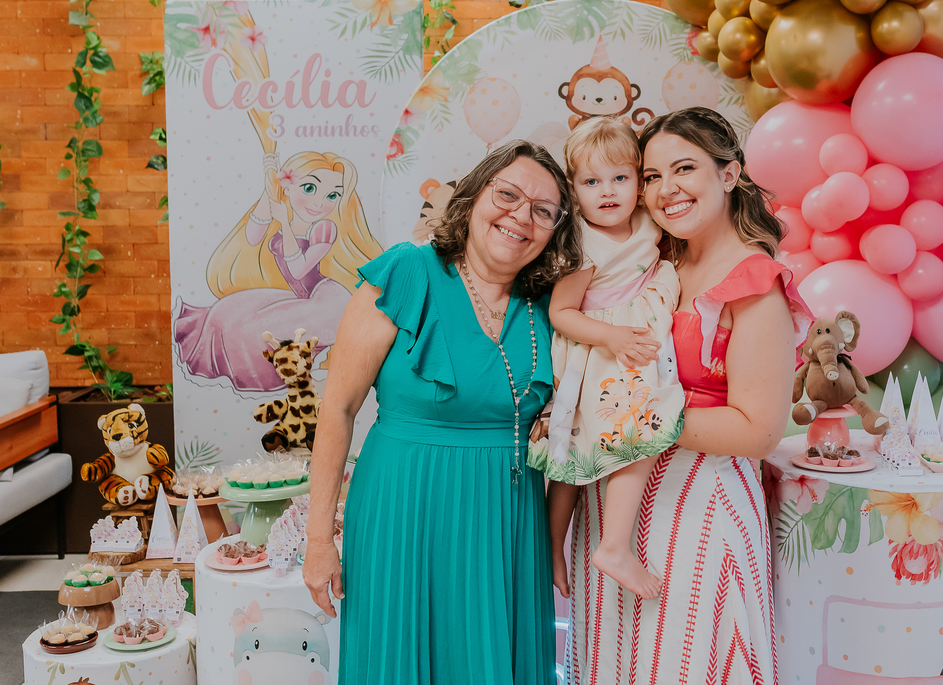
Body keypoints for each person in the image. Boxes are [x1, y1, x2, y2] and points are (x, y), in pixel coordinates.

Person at [302, 141, 583, 684]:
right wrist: (319, 542)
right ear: (474, 195)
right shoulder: (408, 272)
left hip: (509, 521)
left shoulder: (551, 304)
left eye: (543, 211)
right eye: (507, 194)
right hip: (403, 510)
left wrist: (551, 539)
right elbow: (337, 409)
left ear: (555, 229)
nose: (520, 216)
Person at [564, 107, 813, 684]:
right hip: (612, 502)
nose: (665, 190)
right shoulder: (656, 260)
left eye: (684, 169)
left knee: (692, 660)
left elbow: (759, 430)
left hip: (700, 504)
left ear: (729, 175)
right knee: (618, 661)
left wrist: (633, 418)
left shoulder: (754, 283)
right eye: (650, 177)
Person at [528, 117, 686, 601]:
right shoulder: (582, 244)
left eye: (620, 178)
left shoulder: (648, 223)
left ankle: (594, 544)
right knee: (610, 443)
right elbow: (561, 313)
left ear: (640, 182)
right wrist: (613, 337)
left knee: (588, 450)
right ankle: (588, 546)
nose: (608, 191)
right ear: (573, 191)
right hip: (596, 349)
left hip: (626, 344)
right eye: (592, 182)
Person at [174, 151, 382, 393]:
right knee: (223, 312)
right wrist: (269, 185)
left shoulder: (325, 227)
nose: (319, 202)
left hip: (326, 302)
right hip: (302, 296)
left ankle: (261, 382)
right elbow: (252, 237)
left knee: (251, 330)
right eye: (309, 188)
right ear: (288, 188)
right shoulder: (285, 213)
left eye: (332, 195)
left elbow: (298, 269)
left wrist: (285, 224)